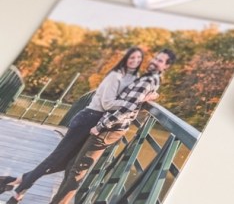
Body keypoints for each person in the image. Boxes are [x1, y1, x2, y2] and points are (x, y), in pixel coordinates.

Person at [0, 48, 154, 204]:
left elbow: (136, 95)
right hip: (88, 118)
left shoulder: (133, 79)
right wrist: (138, 102)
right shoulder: (116, 76)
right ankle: (17, 193)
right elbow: (107, 104)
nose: (135, 60)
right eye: (132, 57)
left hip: (96, 122)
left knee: (63, 164)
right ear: (126, 58)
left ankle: (12, 181)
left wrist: (146, 97)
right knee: (54, 160)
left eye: (138, 58)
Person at [47, 49, 177, 204]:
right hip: (110, 126)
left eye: (160, 60)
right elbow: (133, 102)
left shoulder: (148, 81)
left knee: (77, 171)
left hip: (109, 128)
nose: (154, 61)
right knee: (73, 167)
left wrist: (101, 126)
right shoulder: (150, 79)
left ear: (166, 66)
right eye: (155, 57)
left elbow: (126, 108)